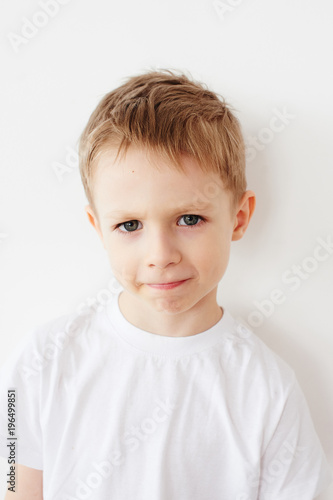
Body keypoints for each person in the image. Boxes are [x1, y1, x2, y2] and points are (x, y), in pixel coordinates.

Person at [0, 69, 331, 500]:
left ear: (239, 217)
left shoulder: (268, 389)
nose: (161, 254)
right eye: (129, 224)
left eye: (189, 219)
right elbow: (14, 485)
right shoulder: (43, 361)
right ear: (98, 228)